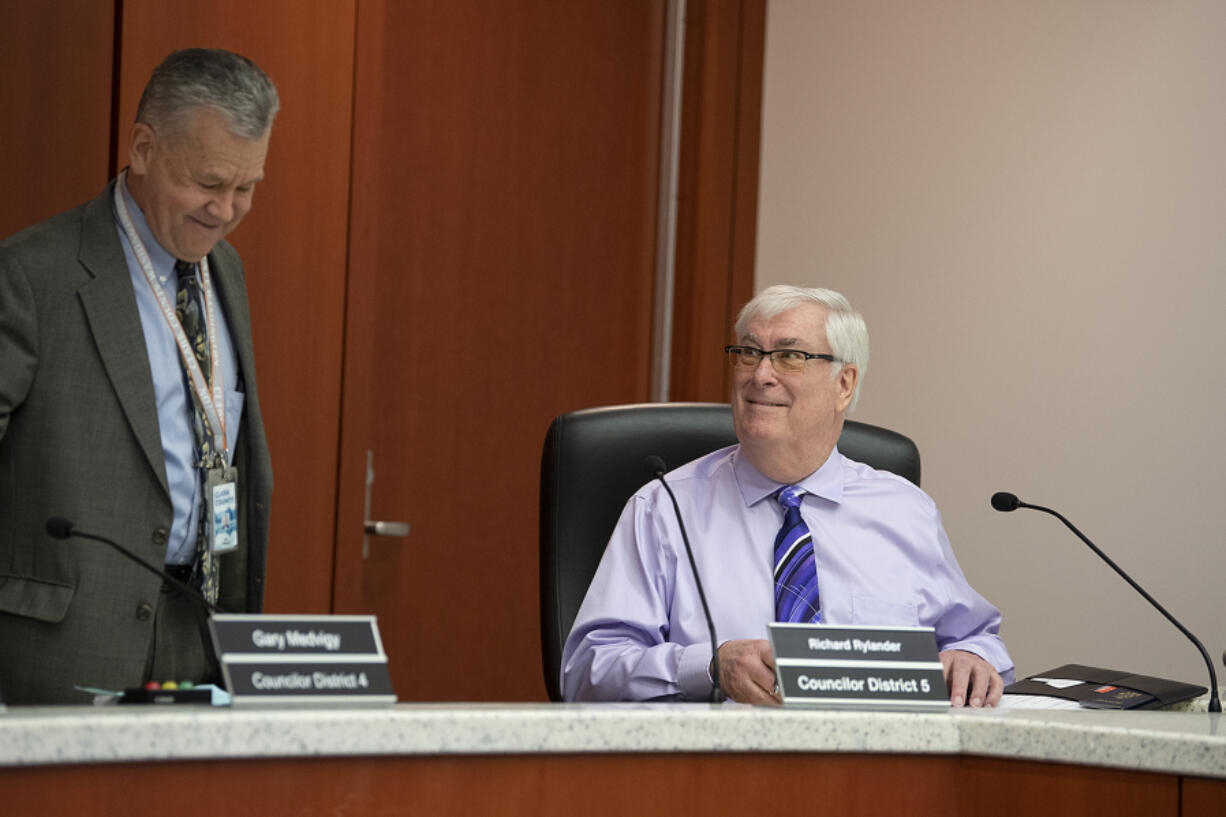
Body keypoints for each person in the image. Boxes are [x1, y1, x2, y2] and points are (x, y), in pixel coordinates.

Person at [562, 285, 1013, 707]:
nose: (760, 375)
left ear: (844, 384)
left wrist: (972, 658)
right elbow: (586, 671)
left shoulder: (904, 510)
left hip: (874, 774)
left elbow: (976, 638)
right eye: (748, 353)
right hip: (715, 774)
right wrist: (708, 666)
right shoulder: (664, 507)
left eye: (790, 356)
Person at [0, 49, 277, 704]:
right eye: (209, 182)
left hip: (203, 631)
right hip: (68, 640)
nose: (227, 209)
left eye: (247, 187)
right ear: (144, 148)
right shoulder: (33, 274)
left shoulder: (225, 271)